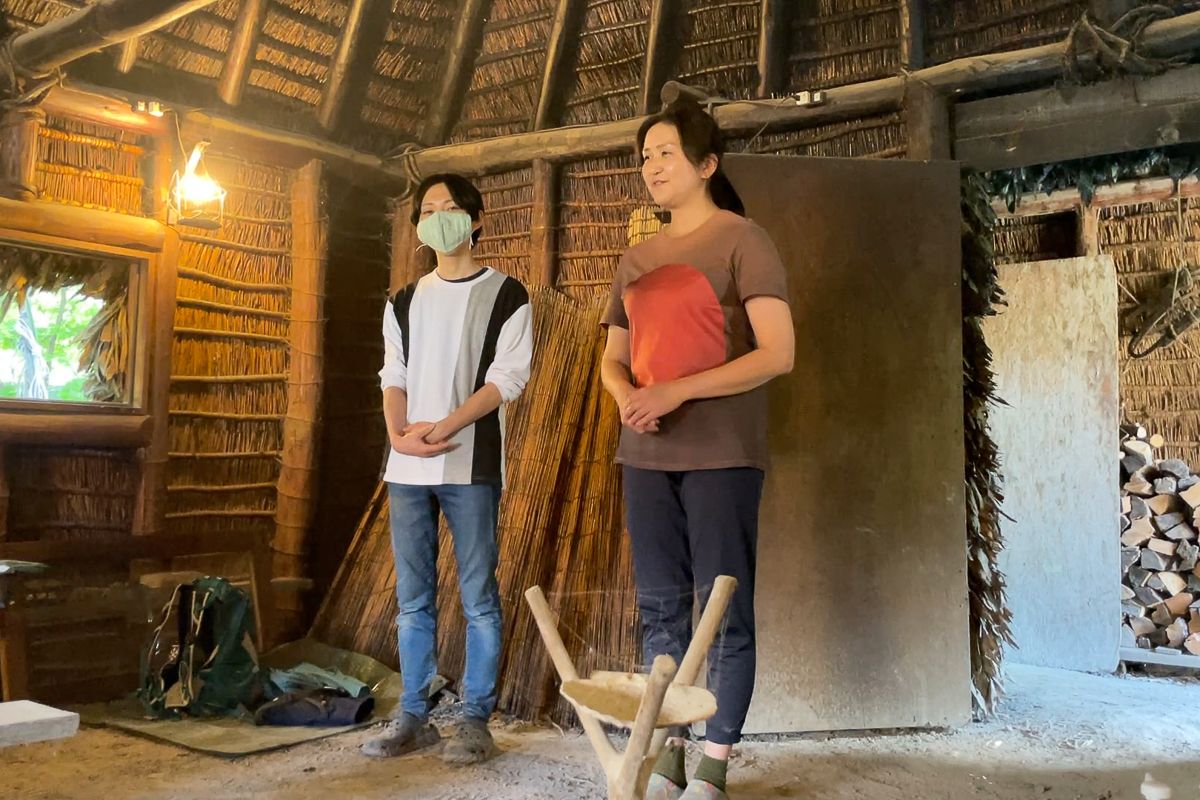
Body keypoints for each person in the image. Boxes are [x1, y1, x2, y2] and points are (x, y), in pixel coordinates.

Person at [600, 100, 795, 799]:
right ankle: (671, 749)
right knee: (659, 608)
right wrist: (626, 395)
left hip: (723, 453)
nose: (651, 166)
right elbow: (612, 359)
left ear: (706, 164)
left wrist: (676, 392)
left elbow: (779, 353)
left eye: (666, 153)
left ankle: (714, 762)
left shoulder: (745, 240)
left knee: (723, 609)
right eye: (645, 155)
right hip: (644, 455)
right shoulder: (636, 258)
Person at [363, 173, 533, 765]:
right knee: (412, 601)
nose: (440, 218)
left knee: (480, 598)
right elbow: (393, 375)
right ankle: (414, 715)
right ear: (418, 229)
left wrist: (447, 426)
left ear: (477, 220)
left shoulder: (509, 294)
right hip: (406, 467)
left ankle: (475, 722)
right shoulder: (403, 302)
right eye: (428, 210)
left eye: (452, 208)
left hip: (471, 465)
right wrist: (397, 434)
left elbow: (507, 380)